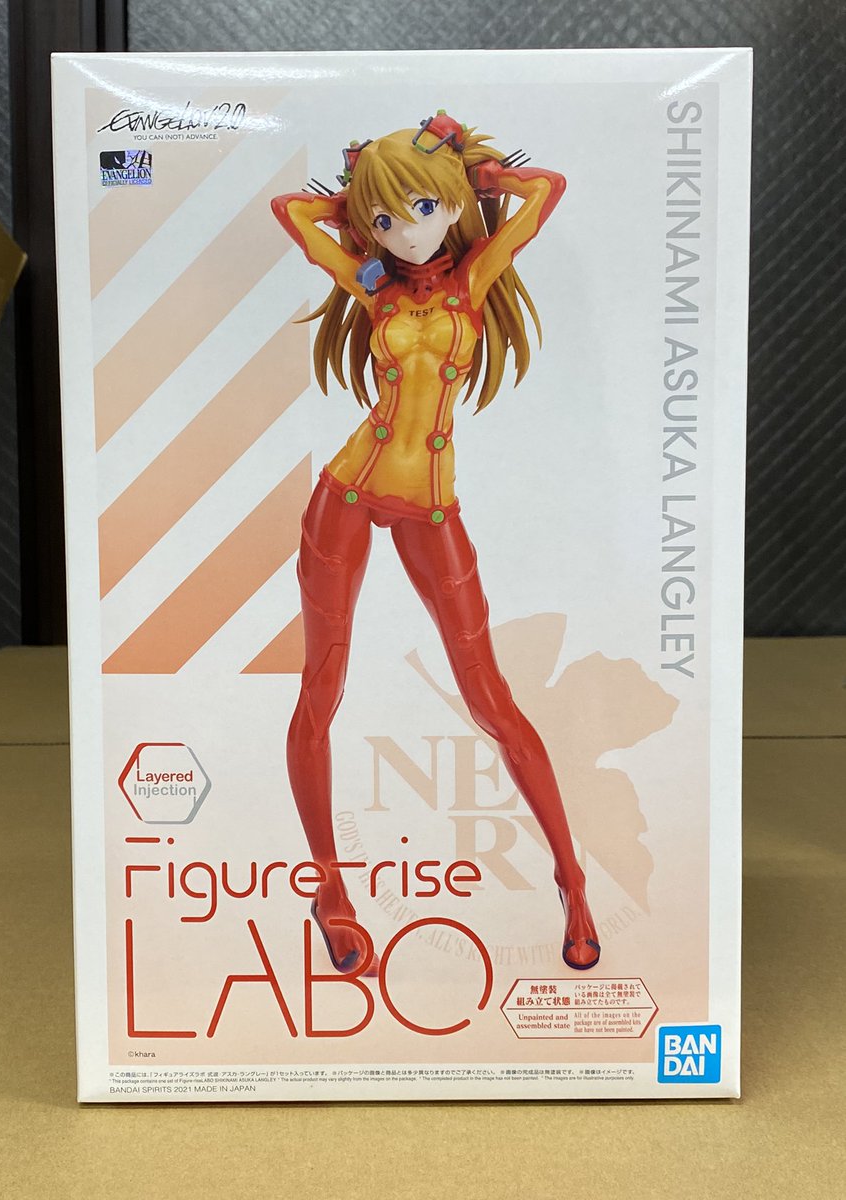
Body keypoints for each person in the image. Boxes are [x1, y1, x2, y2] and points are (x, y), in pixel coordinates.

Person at [271, 111, 600, 976]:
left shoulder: (476, 276)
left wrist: (479, 178)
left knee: (491, 698)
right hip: (346, 494)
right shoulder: (373, 289)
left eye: (423, 208)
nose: (407, 232)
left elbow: (547, 191)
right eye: (387, 219)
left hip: (432, 508)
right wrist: (357, 205)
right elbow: (290, 213)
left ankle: (572, 881)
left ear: (452, 203)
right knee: (321, 690)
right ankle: (330, 891)